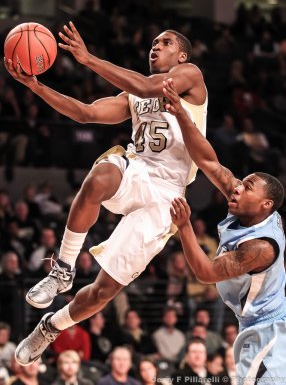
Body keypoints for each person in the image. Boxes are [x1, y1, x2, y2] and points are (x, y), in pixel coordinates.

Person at [4, 22, 207, 365]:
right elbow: (85, 113)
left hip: (168, 195)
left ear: (181, 54)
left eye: (165, 43)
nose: (155, 47)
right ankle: (63, 269)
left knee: (103, 292)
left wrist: (87, 59)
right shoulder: (133, 96)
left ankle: (49, 327)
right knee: (100, 176)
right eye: (153, 43)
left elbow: (147, 85)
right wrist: (36, 87)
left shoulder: (189, 74)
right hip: (138, 170)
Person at [163, 78, 285, 381]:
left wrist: (185, 226)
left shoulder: (260, 248)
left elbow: (205, 273)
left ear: (266, 204)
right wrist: (180, 112)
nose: (238, 187)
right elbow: (206, 158)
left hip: (270, 328)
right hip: (254, 322)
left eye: (248, 187)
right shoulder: (241, 199)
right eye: (242, 182)